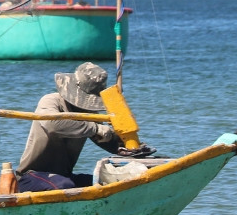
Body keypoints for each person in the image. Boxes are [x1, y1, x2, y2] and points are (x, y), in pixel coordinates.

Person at [16, 62, 148, 191]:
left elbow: (103, 139)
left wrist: (125, 146)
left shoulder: (88, 113)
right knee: (65, 186)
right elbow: (52, 125)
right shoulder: (51, 101)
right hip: (32, 176)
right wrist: (95, 128)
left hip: (64, 176)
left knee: (107, 184)